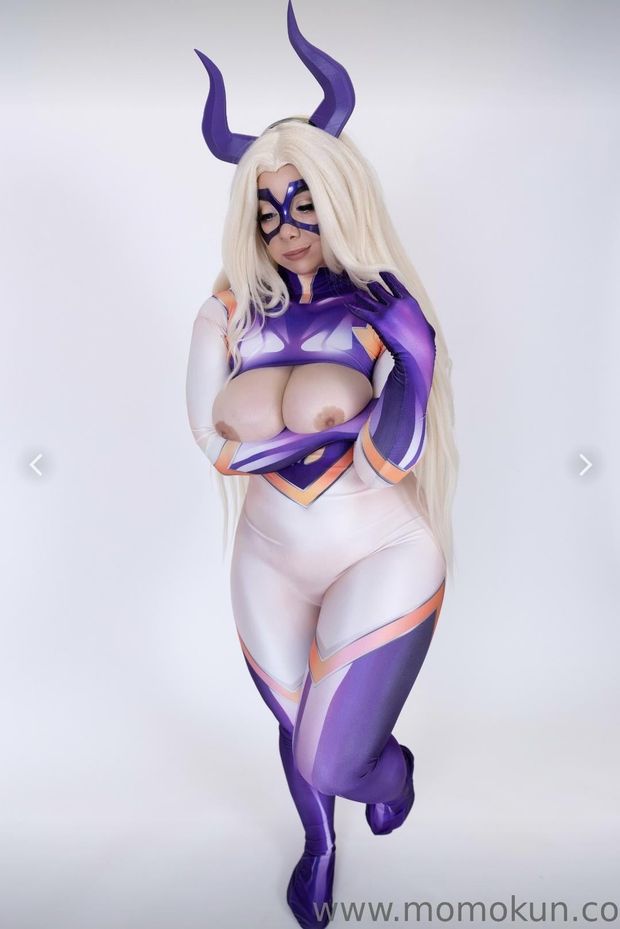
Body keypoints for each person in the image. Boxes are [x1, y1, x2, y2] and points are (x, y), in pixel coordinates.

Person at [186, 4, 458, 928]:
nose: (287, 228)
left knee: (332, 755)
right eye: (268, 211)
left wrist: (416, 357)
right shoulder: (229, 311)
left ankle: (387, 768)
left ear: (337, 200)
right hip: (268, 555)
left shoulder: (379, 302)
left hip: (379, 549)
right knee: (295, 728)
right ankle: (321, 843)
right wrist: (310, 440)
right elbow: (212, 443)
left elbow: (389, 457)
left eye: (303, 205)